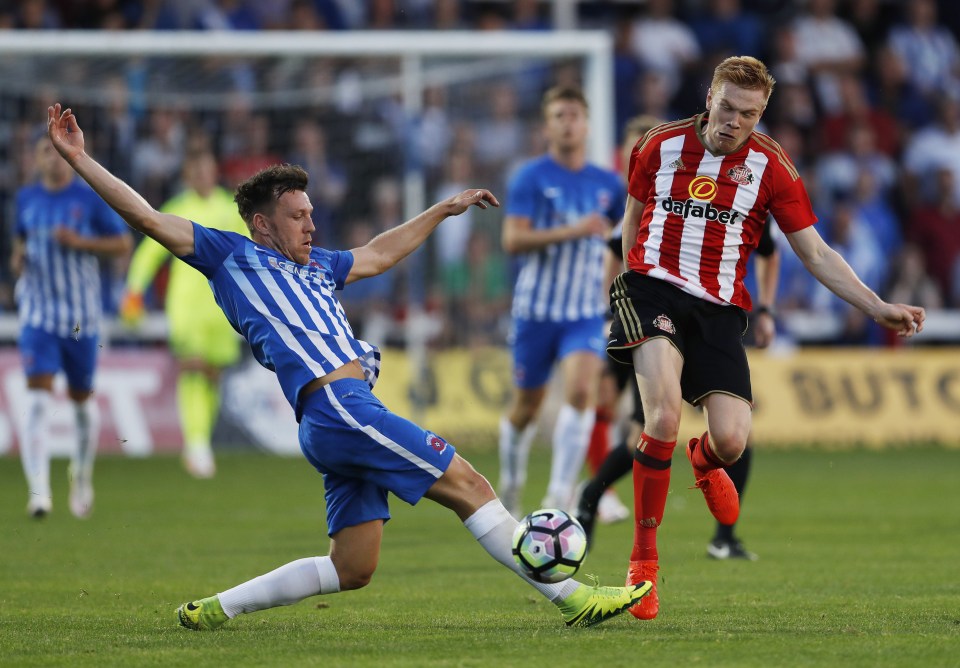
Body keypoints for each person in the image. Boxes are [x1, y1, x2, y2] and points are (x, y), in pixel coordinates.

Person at [46, 103, 652, 630]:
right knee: (471, 485)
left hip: (336, 418)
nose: (311, 223)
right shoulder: (229, 255)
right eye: (297, 216)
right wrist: (80, 159)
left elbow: (378, 252)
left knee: (352, 568)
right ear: (261, 223)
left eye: (311, 213)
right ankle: (572, 597)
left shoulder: (316, 266)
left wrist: (442, 209)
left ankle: (217, 608)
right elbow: (148, 218)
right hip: (339, 407)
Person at [610, 56, 924, 621]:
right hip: (652, 289)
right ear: (709, 97)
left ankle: (704, 463)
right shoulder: (657, 145)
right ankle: (644, 563)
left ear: (762, 114)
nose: (734, 122)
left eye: (748, 114)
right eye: (727, 108)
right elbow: (632, 220)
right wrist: (629, 281)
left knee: (731, 441)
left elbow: (816, 254)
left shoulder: (772, 167)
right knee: (661, 417)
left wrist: (877, 306)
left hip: (720, 310)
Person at [577, 115, 779, 562]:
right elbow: (618, 259)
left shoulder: (739, 194)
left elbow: (769, 251)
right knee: (649, 430)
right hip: (648, 316)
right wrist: (618, 311)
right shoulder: (648, 202)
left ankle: (725, 534)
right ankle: (591, 499)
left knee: (734, 435)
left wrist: (764, 308)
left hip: (713, 314)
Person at [498, 86, 626, 517]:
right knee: (525, 408)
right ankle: (511, 486)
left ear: (587, 125)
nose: (567, 122)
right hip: (536, 311)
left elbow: (624, 244)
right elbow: (512, 240)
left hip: (585, 312)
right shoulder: (530, 178)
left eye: (574, 114)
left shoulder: (610, 185)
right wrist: (573, 230)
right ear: (547, 126)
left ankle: (558, 498)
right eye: (559, 115)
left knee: (579, 393)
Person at [12, 132, 132, 519]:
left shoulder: (87, 198)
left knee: (82, 405)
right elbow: (19, 244)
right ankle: (39, 493)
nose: (51, 158)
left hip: (81, 319)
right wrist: (17, 261)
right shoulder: (25, 199)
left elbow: (122, 244)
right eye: (43, 152)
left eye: (55, 152)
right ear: (35, 159)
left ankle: (80, 475)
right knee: (37, 400)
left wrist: (80, 243)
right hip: (38, 316)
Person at [120, 149, 249, 478]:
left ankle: (200, 440)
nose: (203, 176)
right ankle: (197, 445)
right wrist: (135, 290)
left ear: (214, 172)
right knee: (191, 370)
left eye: (208, 170)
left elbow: (252, 250)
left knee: (212, 375)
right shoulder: (178, 209)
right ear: (189, 176)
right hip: (187, 307)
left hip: (223, 309)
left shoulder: (231, 209)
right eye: (197, 171)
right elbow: (149, 252)